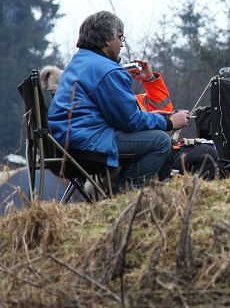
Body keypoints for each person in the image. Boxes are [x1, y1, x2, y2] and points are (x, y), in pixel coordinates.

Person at [48, 11, 190, 190]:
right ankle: (125, 198)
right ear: (108, 39)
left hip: (65, 144)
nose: (122, 44)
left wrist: (157, 116)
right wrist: (168, 122)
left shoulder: (78, 62)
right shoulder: (107, 70)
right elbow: (129, 121)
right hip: (86, 144)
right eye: (120, 37)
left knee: (152, 139)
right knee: (160, 141)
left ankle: (141, 195)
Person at [126, 59, 220, 179]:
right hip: (145, 153)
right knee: (207, 153)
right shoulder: (117, 97)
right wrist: (168, 122)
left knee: (207, 150)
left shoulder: (131, 98)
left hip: (152, 148)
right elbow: (132, 122)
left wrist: (150, 80)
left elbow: (163, 108)